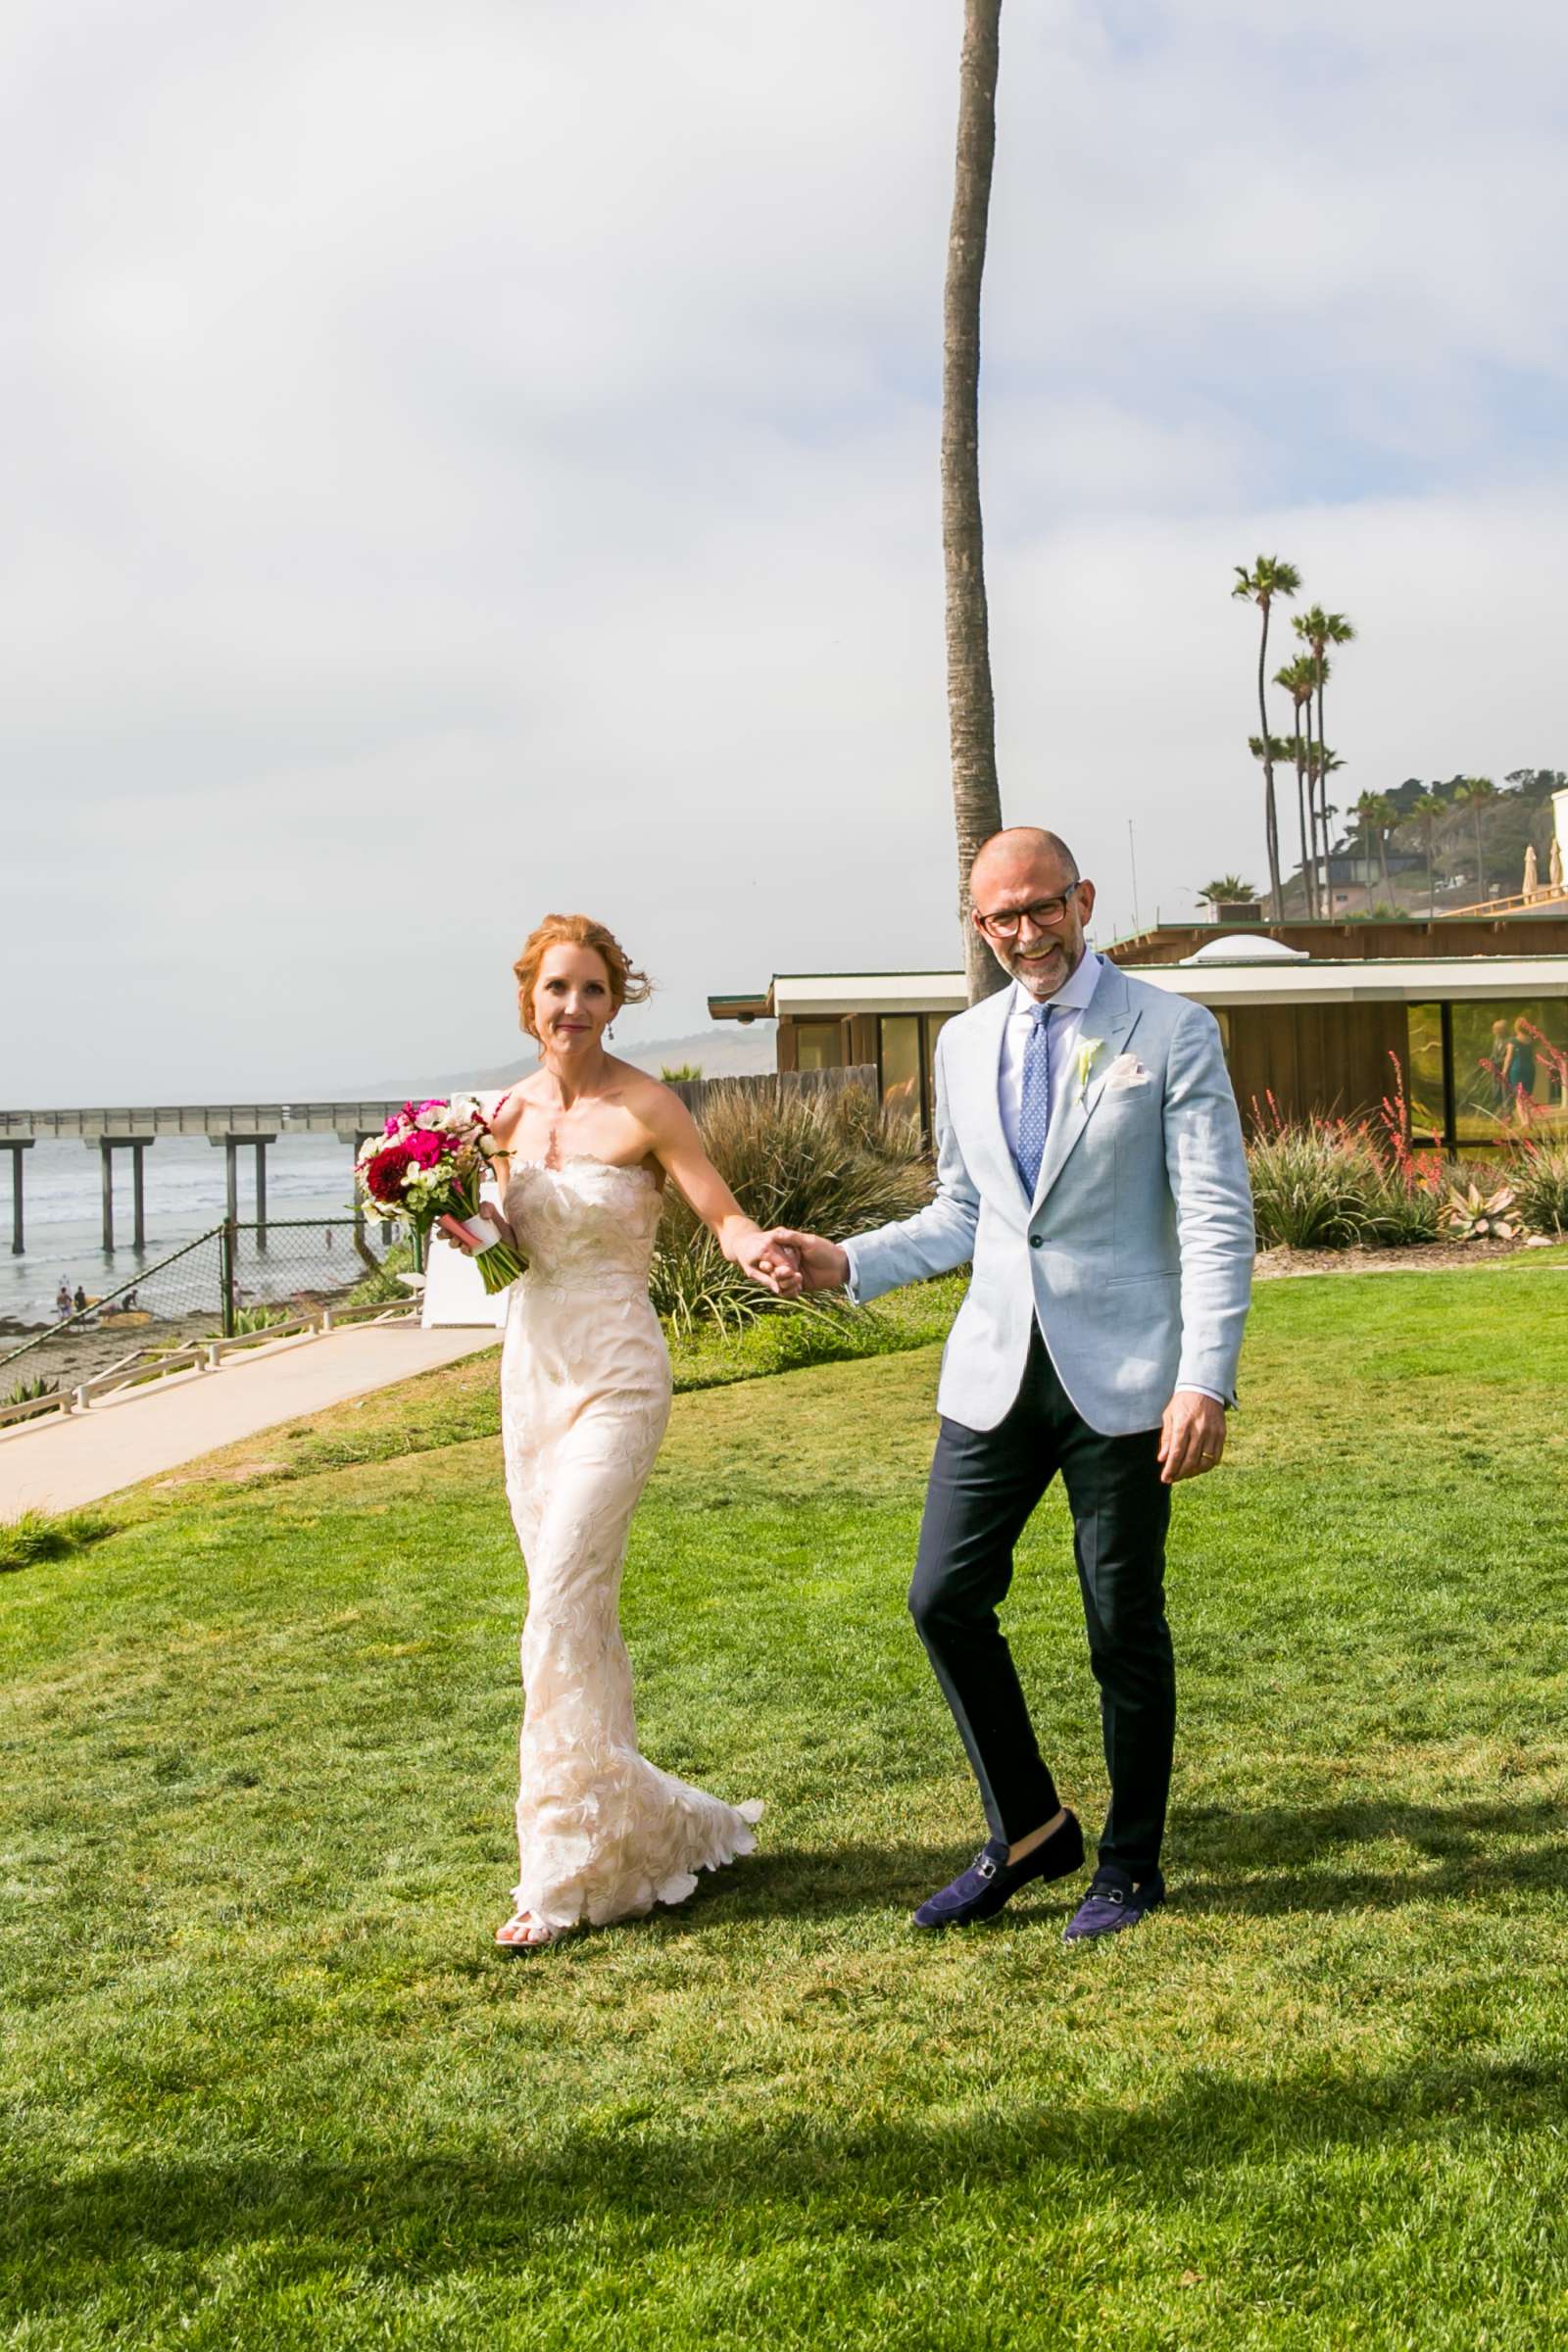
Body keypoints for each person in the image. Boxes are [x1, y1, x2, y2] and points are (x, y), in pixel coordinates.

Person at [765, 828, 1254, 1945]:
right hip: (991, 1374)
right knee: (941, 1598)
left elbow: (1219, 1216)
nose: (1027, 933)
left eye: (1043, 908)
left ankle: (1129, 1864)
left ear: (1082, 900)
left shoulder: (1170, 1029)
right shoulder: (964, 1040)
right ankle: (1029, 1829)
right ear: (977, 927)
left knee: (1120, 1623)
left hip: (1127, 1380)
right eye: (1002, 918)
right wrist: (847, 1262)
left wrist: (1205, 1380)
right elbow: (966, 1212)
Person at [440, 913, 800, 1952]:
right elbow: (507, 1256)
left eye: (593, 990)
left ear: (614, 999)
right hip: (531, 1378)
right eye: (557, 989)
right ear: (529, 998)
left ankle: (552, 1875)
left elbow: (717, 1212)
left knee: (555, 1604)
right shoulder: (497, 1116)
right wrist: (464, 1222)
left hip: (618, 1378)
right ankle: (647, 1827)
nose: (573, 1008)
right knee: (576, 1615)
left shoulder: (647, 1106)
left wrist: (755, 1250)